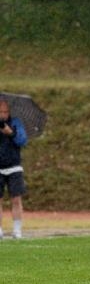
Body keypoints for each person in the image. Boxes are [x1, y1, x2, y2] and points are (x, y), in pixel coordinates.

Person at [0, 99, 28, 239]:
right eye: (1, 112)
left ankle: (17, 230)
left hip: (14, 167)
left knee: (16, 199)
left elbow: (22, 141)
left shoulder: (16, 122)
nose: (4, 115)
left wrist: (10, 133)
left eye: (6, 112)